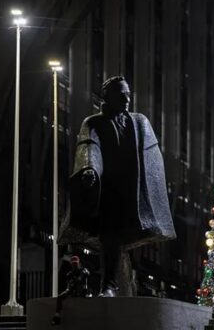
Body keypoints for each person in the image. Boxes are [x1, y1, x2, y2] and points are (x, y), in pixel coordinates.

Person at [59, 77, 176, 297]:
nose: (126, 98)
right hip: (107, 191)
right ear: (107, 96)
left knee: (125, 240)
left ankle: (125, 284)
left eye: (128, 94)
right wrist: (91, 170)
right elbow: (90, 147)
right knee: (110, 236)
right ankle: (109, 285)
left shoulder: (139, 121)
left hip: (132, 193)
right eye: (121, 94)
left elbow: (151, 156)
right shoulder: (94, 122)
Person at [52, 256, 91, 326]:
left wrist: (79, 279)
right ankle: (57, 316)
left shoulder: (83, 270)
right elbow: (69, 285)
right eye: (73, 264)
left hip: (82, 291)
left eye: (76, 263)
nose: (74, 265)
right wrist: (68, 289)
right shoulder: (70, 274)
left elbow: (84, 275)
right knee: (60, 297)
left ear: (78, 263)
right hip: (73, 291)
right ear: (71, 264)